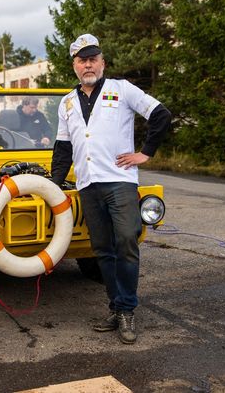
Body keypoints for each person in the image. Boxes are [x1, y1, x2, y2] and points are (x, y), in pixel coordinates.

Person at [50, 34, 172, 344]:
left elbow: (160, 115)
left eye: (93, 58)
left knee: (127, 241)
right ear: (75, 66)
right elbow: (63, 148)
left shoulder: (122, 89)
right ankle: (116, 308)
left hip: (120, 182)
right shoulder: (66, 102)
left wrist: (145, 153)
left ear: (102, 62)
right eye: (82, 59)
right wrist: (53, 186)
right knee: (102, 250)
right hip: (88, 185)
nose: (88, 64)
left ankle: (128, 310)